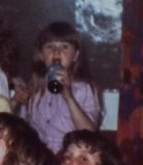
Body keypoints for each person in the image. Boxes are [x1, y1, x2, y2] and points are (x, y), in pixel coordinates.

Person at [17, 22, 101, 152]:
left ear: (76, 55)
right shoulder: (34, 88)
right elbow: (22, 130)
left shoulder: (85, 89)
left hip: (69, 158)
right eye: (49, 47)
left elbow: (89, 135)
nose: (56, 52)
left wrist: (68, 97)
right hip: (40, 158)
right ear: (41, 55)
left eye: (64, 47)